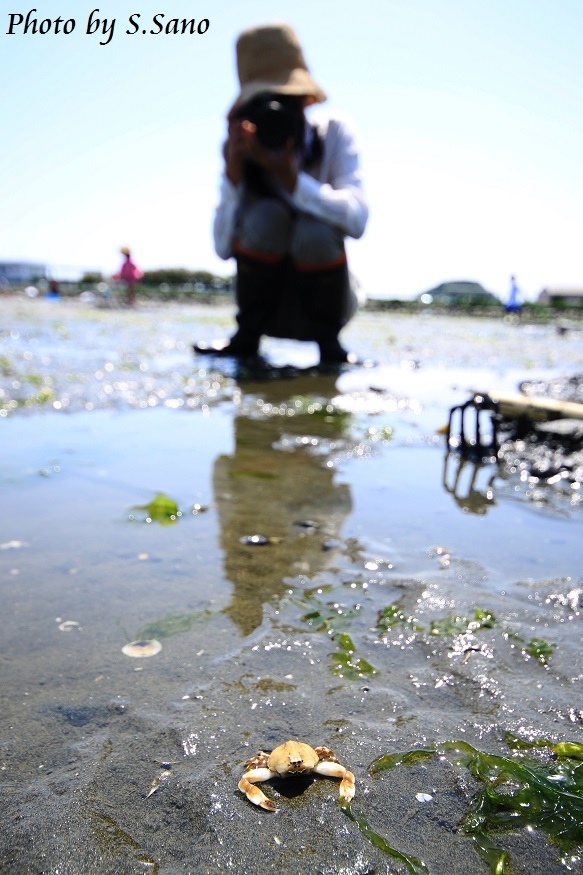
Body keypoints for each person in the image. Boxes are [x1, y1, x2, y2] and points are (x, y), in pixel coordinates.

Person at [201, 23, 368, 364]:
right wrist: (233, 177)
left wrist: (292, 182)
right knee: (266, 216)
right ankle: (245, 337)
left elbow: (357, 220)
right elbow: (221, 249)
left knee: (315, 229)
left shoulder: (334, 133)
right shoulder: (242, 152)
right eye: (264, 106)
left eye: (286, 103)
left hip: (328, 310)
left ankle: (329, 346)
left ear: (305, 102)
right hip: (266, 313)